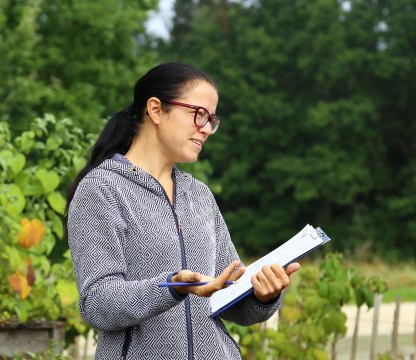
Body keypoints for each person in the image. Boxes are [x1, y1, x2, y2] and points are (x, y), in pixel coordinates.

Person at [66, 62, 300, 359]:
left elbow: (232, 299)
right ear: (155, 109)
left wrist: (263, 295)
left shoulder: (199, 195)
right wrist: (172, 286)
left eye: (212, 120)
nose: (206, 128)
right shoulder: (101, 190)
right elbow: (98, 304)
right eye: (198, 114)